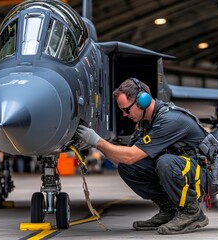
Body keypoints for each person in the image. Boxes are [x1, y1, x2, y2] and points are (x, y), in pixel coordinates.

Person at [76, 77, 210, 235]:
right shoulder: (145, 124)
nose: (125, 115)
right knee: (128, 168)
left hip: (203, 175)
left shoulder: (169, 120)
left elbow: (130, 155)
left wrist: (98, 142)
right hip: (185, 171)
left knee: (165, 162)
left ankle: (192, 212)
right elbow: (123, 159)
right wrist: (95, 142)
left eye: (126, 110)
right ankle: (170, 210)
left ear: (143, 101)